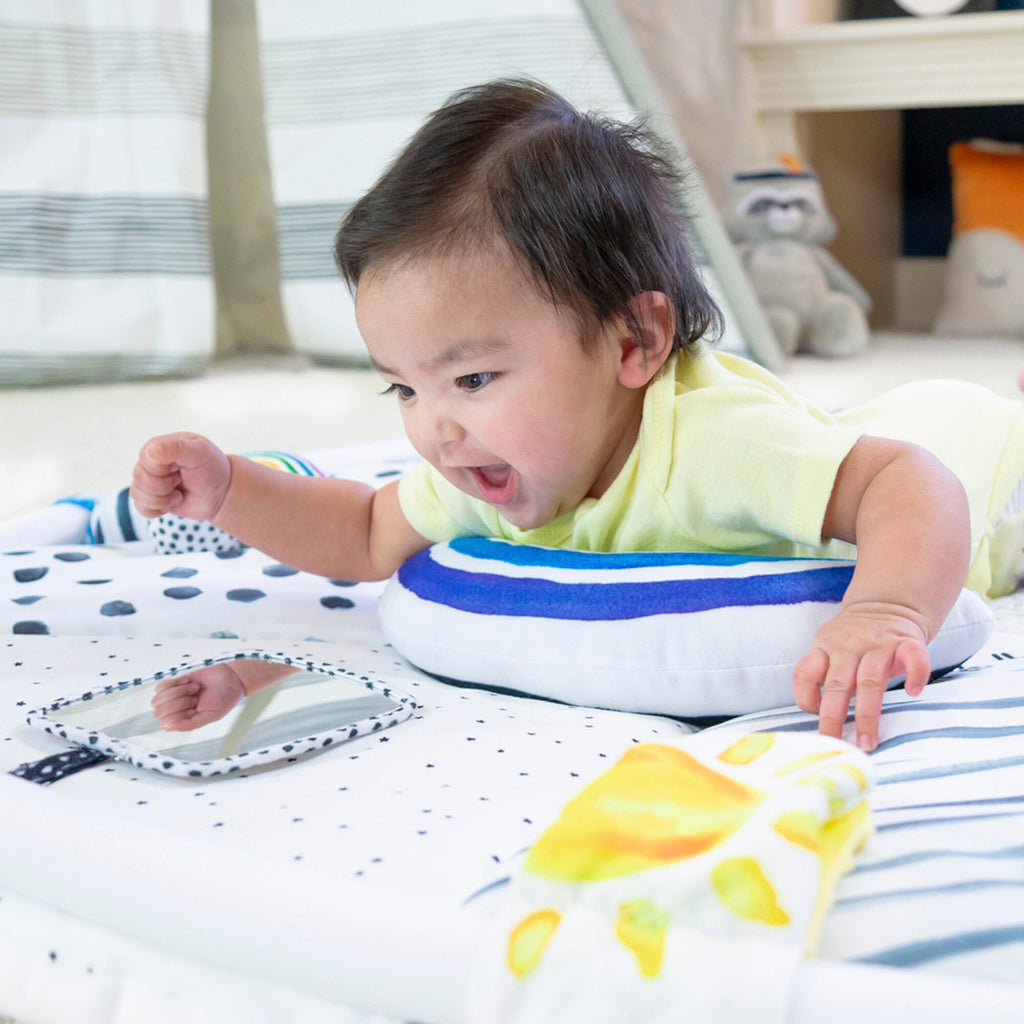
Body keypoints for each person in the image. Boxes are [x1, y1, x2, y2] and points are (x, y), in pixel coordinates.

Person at [132, 78, 1024, 751]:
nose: (433, 428)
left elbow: (912, 479)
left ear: (635, 340)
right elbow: (365, 532)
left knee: (949, 431)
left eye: (473, 378)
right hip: (845, 442)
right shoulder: (492, 466)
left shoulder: (718, 447)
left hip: (976, 479)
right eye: (402, 388)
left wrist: (889, 610)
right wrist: (230, 491)